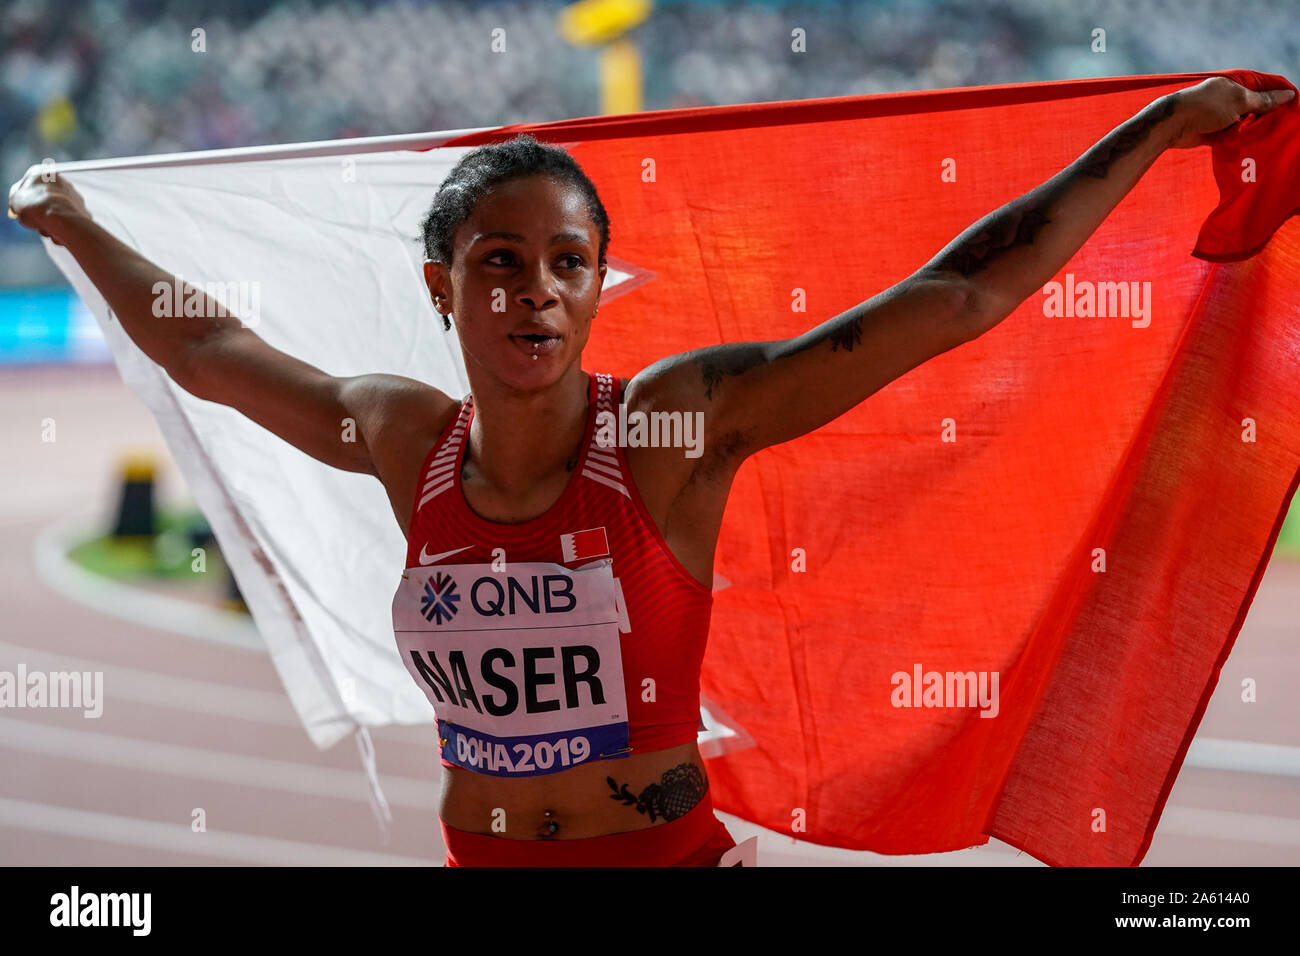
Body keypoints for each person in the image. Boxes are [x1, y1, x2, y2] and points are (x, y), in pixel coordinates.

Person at [9, 75, 1294, 867]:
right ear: (439, 286)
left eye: (566, 262)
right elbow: (212, 348)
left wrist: (1153, 131)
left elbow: (955, 299)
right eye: (498, 262)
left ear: (595, 285)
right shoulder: (410, 442)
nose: (535, 292)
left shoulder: (672, 432)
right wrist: (75, 220)